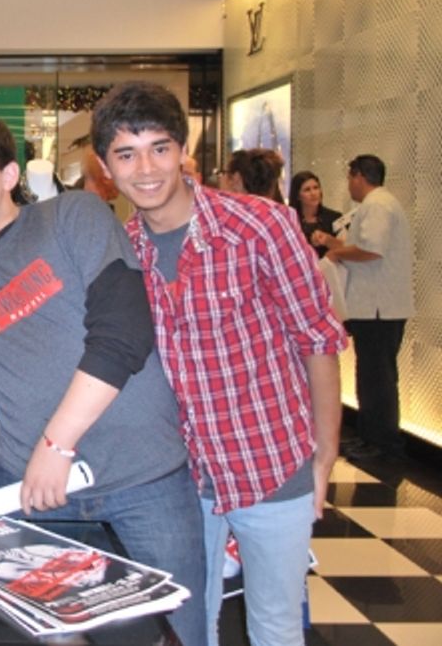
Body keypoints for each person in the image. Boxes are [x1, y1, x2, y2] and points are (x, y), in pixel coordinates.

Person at [0, 113, 205, 646]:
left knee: (178, 631)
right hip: (34, 492)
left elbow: (123, 332)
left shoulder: (70, 216)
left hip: (140, 475)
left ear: (9, 175)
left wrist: (57, 444)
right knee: (48, 633)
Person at [91, 81, 347, 646]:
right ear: (107, 167)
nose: (147, 168)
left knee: (275, 625)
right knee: (189, 624)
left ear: (184, 151)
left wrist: (324, 454)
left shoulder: (262, 226)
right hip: (180, 477)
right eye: (126, 154)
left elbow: (319, 340)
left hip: (270, 461)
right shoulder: (122, 252)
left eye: (159, 148)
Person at [319, 155, 414, 461]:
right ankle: (369, 435)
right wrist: (337, 247)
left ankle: (382, 441)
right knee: (371, 374)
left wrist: (338, 253)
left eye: (350, 178)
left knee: (377, 376)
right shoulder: (377, 205)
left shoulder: (377, 205)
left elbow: (371, 250)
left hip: (379, 308)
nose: (349, 185)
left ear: (359, 176)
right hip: (374, 307)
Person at [289, 170, 342, 258]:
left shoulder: (334, 218)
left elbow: (346, 248)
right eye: (307, 190)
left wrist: (328, 240)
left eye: (316, 188)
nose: (313, 193)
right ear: (297, 196)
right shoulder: (290, 220)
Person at [221, 147, 285, 202]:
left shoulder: (220, 213)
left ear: (236, 178)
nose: (221, 178)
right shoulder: (285, 213)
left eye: (224, 172)